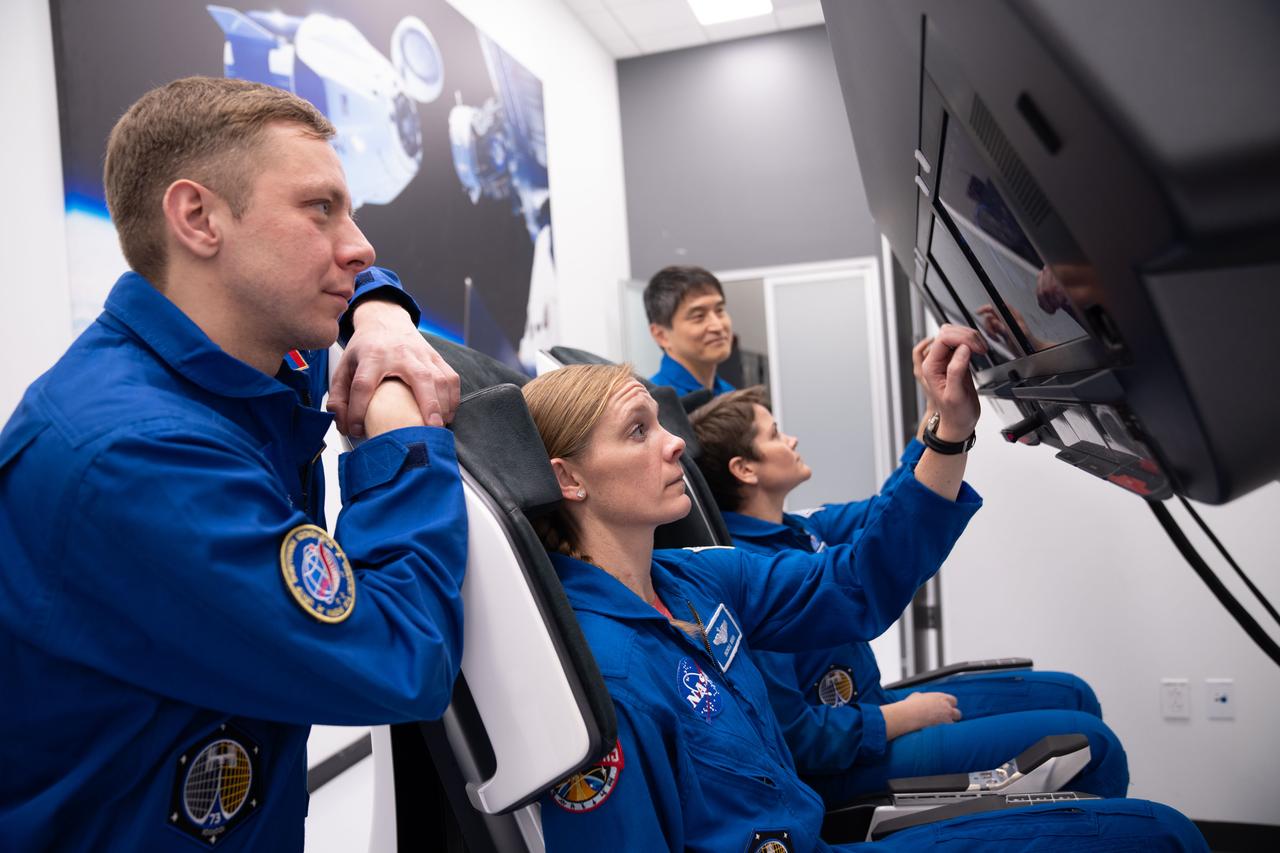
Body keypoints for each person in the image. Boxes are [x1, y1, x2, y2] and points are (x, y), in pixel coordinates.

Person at [0, 77, 468, 850]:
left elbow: (368, 279)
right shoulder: (135, 456)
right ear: (199, 218)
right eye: (320, 209)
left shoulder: (252, 367)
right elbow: (402, 658)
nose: (359, 246)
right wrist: (397, 444)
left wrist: (380, 311)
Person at [520, 344, 1204, 850]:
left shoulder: (696, 578)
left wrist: (949, 428)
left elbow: (852, 583)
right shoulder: (602, 672)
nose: (674, 444)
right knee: (1161, 838)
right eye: (638, 430)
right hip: (831, 808)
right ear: (568, 478)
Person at [689, 337, 1127, 806]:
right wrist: (902, 717)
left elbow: (892, 511)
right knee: (1090, 743)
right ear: (745, 469)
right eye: (775, 434)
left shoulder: (798, 529)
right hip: (848, 755)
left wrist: (937, 412)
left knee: (1073, 694)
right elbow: (795, 738)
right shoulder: (745, 575)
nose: (791, 439)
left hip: (870, 710)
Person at [644, 264, 736, 396]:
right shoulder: (653, 405)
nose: (717, 326)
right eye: (699, 316)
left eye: (719, 310)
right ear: (661, 335)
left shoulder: (729, 394)